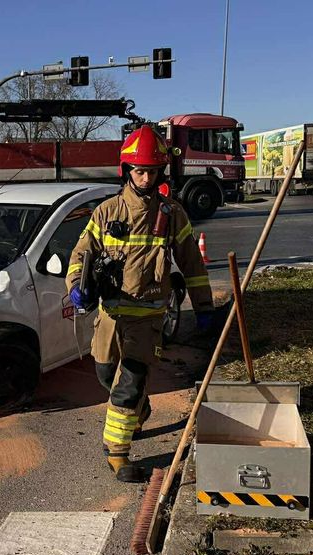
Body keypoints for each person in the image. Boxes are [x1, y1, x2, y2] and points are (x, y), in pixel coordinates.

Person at [65, 125, 216, 482]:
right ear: (126, 171)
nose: (145, 177)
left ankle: (117, 453)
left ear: (160, 172)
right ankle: (140, 408)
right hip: (109, 317)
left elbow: (192, 264)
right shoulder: (106, 212)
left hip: (147, 321)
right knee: (106, 375)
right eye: (139, 170)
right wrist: (77, 285)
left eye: (151, 171)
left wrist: (204, 307)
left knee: (128, 384)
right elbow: (80, 254)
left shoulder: (171, 214)